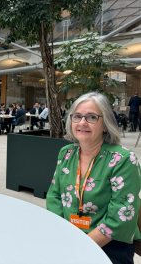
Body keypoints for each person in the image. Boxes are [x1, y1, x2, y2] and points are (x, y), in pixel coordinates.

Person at [46, 92, 141, 263]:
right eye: (77, 116)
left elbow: (120, 217)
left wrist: (80, 246)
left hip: (110, 245)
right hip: (69, 236)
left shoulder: (123, 160)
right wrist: (62, 236)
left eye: (91, 117)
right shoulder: (66, 154)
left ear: (105, 124)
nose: (82, 122)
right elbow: (54, 197)